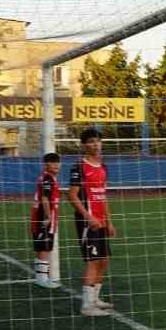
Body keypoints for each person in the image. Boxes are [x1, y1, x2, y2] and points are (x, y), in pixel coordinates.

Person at [66, 127, 116, 315]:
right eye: (91, 142)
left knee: (104, 260)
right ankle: (87, 307)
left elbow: (103, 196)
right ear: (84, 145)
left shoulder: (103, 166)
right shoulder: (79, 166)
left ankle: (95, 299)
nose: (95, 145)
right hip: (88, 222)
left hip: (101, 221)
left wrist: (109, 222)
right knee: (93, 261)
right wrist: (89, 217)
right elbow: (72, 196)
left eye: (97, 141)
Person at [29, 152, 62, 288]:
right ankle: (42, 279)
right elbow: (44, 198)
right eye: (52, 162)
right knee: (44, 247)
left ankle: (41, 277)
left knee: (43, 246)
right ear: (46, 164)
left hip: (41, 216)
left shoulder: (48, 178)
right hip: (43, 216)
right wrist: (48, 217)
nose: (56, 165)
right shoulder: (47, 178)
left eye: (57, 162)